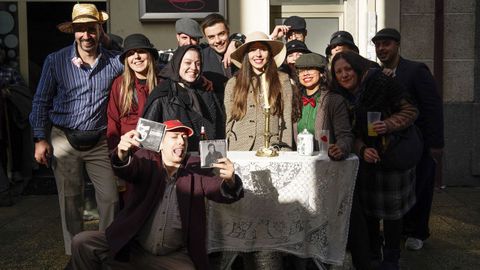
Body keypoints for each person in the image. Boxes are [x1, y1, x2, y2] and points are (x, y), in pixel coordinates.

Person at [71, 119, 244, 270]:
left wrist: (229, 180)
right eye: (174, 137)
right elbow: (128, 169)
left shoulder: (196, 167)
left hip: (172, 256)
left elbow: (218, 189)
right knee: (82, 242)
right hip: (132, 247)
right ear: (160, 144)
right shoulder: (147, 160)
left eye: (184, 138)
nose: (181, 142)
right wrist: (122, 153)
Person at [29, 3, 123, 255]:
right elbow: (41, 100)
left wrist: (112, 43)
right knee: (70, 202)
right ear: (73, 31)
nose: (86, 35)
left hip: (99, 140)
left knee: (111, 199)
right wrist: (39, 138)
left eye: (91, 29)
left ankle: (105, 249)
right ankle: (75, 254)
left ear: (99, 30)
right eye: (80, 30)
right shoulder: (56, 60)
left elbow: (140, 61)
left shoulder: (114, 62)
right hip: (63, 138)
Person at [331, 51, 418, 270]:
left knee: (392, 215)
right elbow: (351, 133)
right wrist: (361, 150)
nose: (344, 75)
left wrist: (389, 124)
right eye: (338, 71)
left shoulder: (380, 82)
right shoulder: (341, 95)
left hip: (393, 155)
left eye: (348, 69)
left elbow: (411, 109)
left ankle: (391, 258)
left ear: (357, 68)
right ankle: (373, 255)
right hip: (369, 160)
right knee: (369, 212)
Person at [224, 31, 292, 269]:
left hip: (272, 153)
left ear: (270, 53)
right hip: (240, 153)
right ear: (246, 55)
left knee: (268, 208)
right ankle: (242, 258)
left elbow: (286, 122)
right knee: (242, 208)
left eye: (263, 49)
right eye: (253, 50)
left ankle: (269, 256)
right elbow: (228, 121)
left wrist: (284, 150)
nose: (258, 54)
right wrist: (229, 153)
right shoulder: (234, 83)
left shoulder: (282, 81)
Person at [372, 28, 444, 251]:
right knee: (401, 192)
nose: (382, 49)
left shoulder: (415, 71)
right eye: (378, 45)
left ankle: (418, 232)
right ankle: (400, 229)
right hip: (391, 145)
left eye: (386, 44)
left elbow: (433, 108)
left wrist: (435, 144)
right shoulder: (378, 73)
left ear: (397, 45)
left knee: (420, 188)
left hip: (418, 143)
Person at [106, 33, 159, 205]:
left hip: (157, 157)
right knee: (131, 204)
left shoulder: (163, 83)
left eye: (141, 51)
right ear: (126, 60)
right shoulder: (119, 85)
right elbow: (113, 122)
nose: (136, 57)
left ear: (150, 55)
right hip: (130, 157)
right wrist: (117, 157)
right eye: (130, 53)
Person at [142, 45, 222, 151]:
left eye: (198, 63)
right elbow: (148, 142)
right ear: (177, 63)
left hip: (206, 160)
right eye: (188, 63)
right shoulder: (162, 93)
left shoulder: (206, 90)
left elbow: (219, 128)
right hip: (175, 163)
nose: (194, 68)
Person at [293, 52, 353, 159]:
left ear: (321, 73)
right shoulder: (294, 100)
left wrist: (340, 148)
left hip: (326, 163)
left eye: (310, 69)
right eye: (301, 71)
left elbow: (345, 136)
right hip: (300, 163)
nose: (305, 73)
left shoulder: (335, 100)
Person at [200, 13, 244, 105]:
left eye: (221, 34)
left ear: (228, 31)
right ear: (206, 38)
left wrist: (234, 43)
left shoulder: (242, 52)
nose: (217, 41)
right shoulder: (200, 58)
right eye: (211, 37)